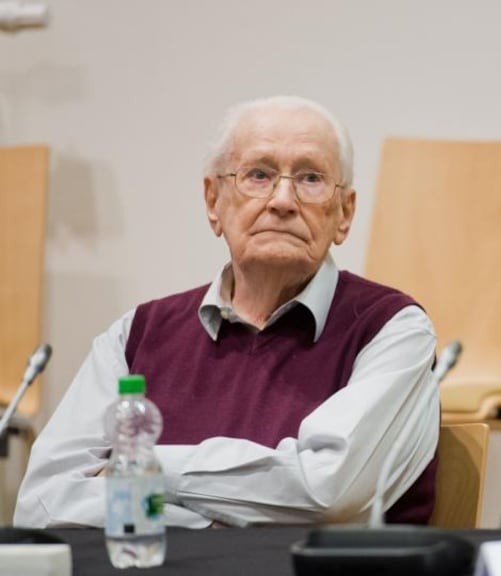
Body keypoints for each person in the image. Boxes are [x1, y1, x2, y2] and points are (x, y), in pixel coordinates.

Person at [14, 96, 440, 528]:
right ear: (213, 200)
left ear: (344, 214)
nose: (283, 200)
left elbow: (323, 489)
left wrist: (146, 470)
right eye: (259, 175)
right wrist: (208, 527)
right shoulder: (137, 335)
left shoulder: (393, 329)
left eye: (311, 178)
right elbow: (43, 502)